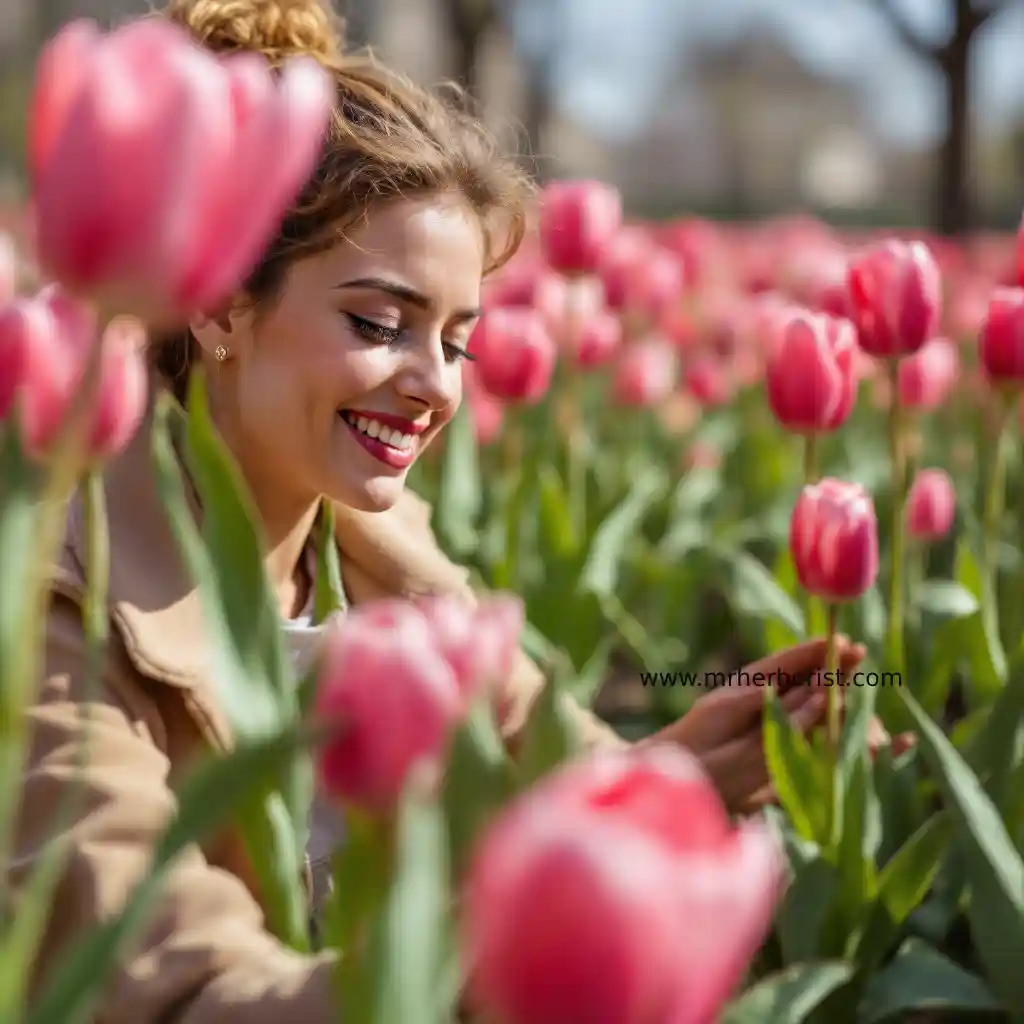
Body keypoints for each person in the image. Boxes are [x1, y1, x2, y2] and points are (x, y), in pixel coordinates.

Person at [11, 1, 900, 1020]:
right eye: (379, 322)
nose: (434, 384)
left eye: (459, 339)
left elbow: (553, 756)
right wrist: (496, 958)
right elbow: (167, 992)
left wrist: (686, 769)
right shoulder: (64, 613)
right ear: (218, 303)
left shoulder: (388, 564)